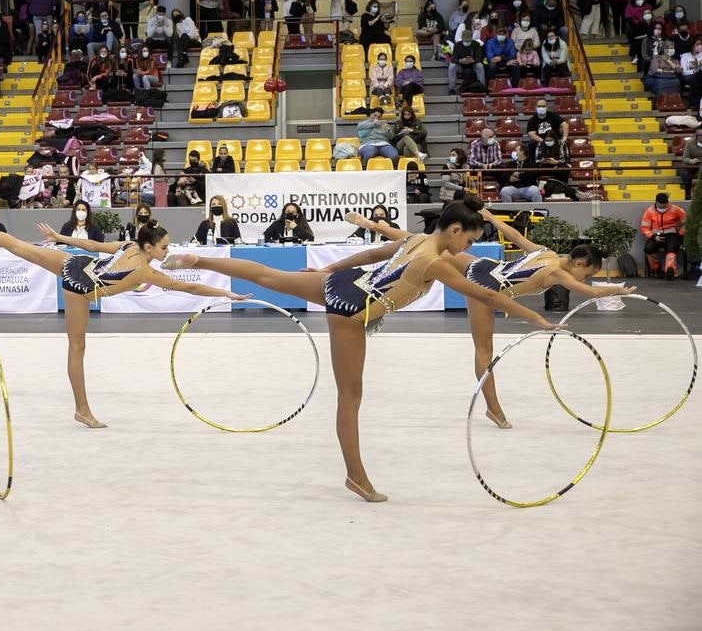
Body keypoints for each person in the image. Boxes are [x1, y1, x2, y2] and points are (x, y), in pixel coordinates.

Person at [162, 194, 560, 502]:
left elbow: (371, 254)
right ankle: (356, 475)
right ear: (454, 230)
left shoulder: (418, 240)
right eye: (469, 238)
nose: (467, 247)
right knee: (350, 396)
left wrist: (326, 271)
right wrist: (536, 319)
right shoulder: (435, 263)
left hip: (345, 282)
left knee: (271, 275)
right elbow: (484, 295)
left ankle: (200, 259)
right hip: (353, 309)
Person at [0, 218, 244, 427]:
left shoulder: (131, 246)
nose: (168, 251)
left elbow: (94, 247)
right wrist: (226, 292)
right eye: (165, 247)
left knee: (19, 246)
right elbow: (189, 288)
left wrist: (60, 239)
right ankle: (82, 410)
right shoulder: (144, 271)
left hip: (76, 264)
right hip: (80, 287)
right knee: (76, 347)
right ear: (150, 248)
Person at [350, 209, 632, 427]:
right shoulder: (557, 272)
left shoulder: (546, 253)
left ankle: (375, 225)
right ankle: (493, 409)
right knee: (484, 349)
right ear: (580, 263)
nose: (587, 277)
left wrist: (492, 218)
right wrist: (619, 288)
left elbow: (515, 237)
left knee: (422, 242)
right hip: (486, 287)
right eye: (589, 272)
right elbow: (585, 291)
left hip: (484, 267)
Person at [640, 192, 687, 279]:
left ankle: (670, 270)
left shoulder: (676, 209)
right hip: (656, 236)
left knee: (672, 249)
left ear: (667, 202)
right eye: (661, 206)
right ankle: (657, 269)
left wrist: (680, 234)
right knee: (648, 249)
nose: (663, 208)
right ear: (656, 203)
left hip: (672, 235)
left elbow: (687, 223)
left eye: (665, 206)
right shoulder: (649, 211)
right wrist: (654, 237)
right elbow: (644, 228)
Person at [448, 28, 486, 94]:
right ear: (462, 39)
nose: (467, 42)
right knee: (452, 66)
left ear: (471, 38)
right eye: (465, 41)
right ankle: (452, 89)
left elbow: (480, 58)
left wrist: (473, 60)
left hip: (473, 64)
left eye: (468, 41)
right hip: (461, 65)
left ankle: (481, 87)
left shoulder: (476, 44)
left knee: (480, 65)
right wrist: (461, 61)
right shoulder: (457, 45)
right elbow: (453, 59)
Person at [679, 126, 702, 198]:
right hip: (693, 165)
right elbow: (685, 158)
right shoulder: (690, 143)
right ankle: (688, 193)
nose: (701, 137)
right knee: (684, 172)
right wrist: (691, 161)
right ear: (696, 136)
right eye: (699, 136)